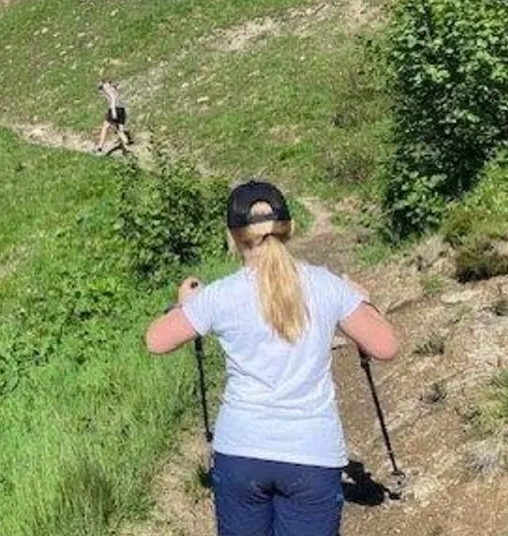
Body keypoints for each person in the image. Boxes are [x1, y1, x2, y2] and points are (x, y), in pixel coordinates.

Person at [144, 180, 399, 536]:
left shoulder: (220, 295)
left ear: (232, 236)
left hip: (241, 451)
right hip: (312, 454)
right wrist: (363, 300)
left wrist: (186, 305)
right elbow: (386, 346)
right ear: (290, 229)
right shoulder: (326, 286)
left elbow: (155, 341)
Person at [96, 81, 130, 154]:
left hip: (114, 108)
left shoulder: (107, 88)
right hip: (122, 110)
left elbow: (112, 98)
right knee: (120, 130)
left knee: (105, 127)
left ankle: (99, 148)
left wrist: (113, 111)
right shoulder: (114, 89)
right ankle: (127, 143)